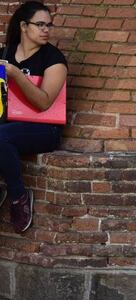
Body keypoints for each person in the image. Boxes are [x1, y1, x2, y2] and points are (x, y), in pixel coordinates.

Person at [0, 1, 67, 233]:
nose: (46, 29)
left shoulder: (53, 59)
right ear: (23, 26)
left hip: (44, 128)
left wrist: (16, 74)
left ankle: (19, 198)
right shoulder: (6, 54)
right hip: (9, 123)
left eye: (49, 25)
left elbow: (43, 102)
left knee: (1, 136)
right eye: (40, 24)